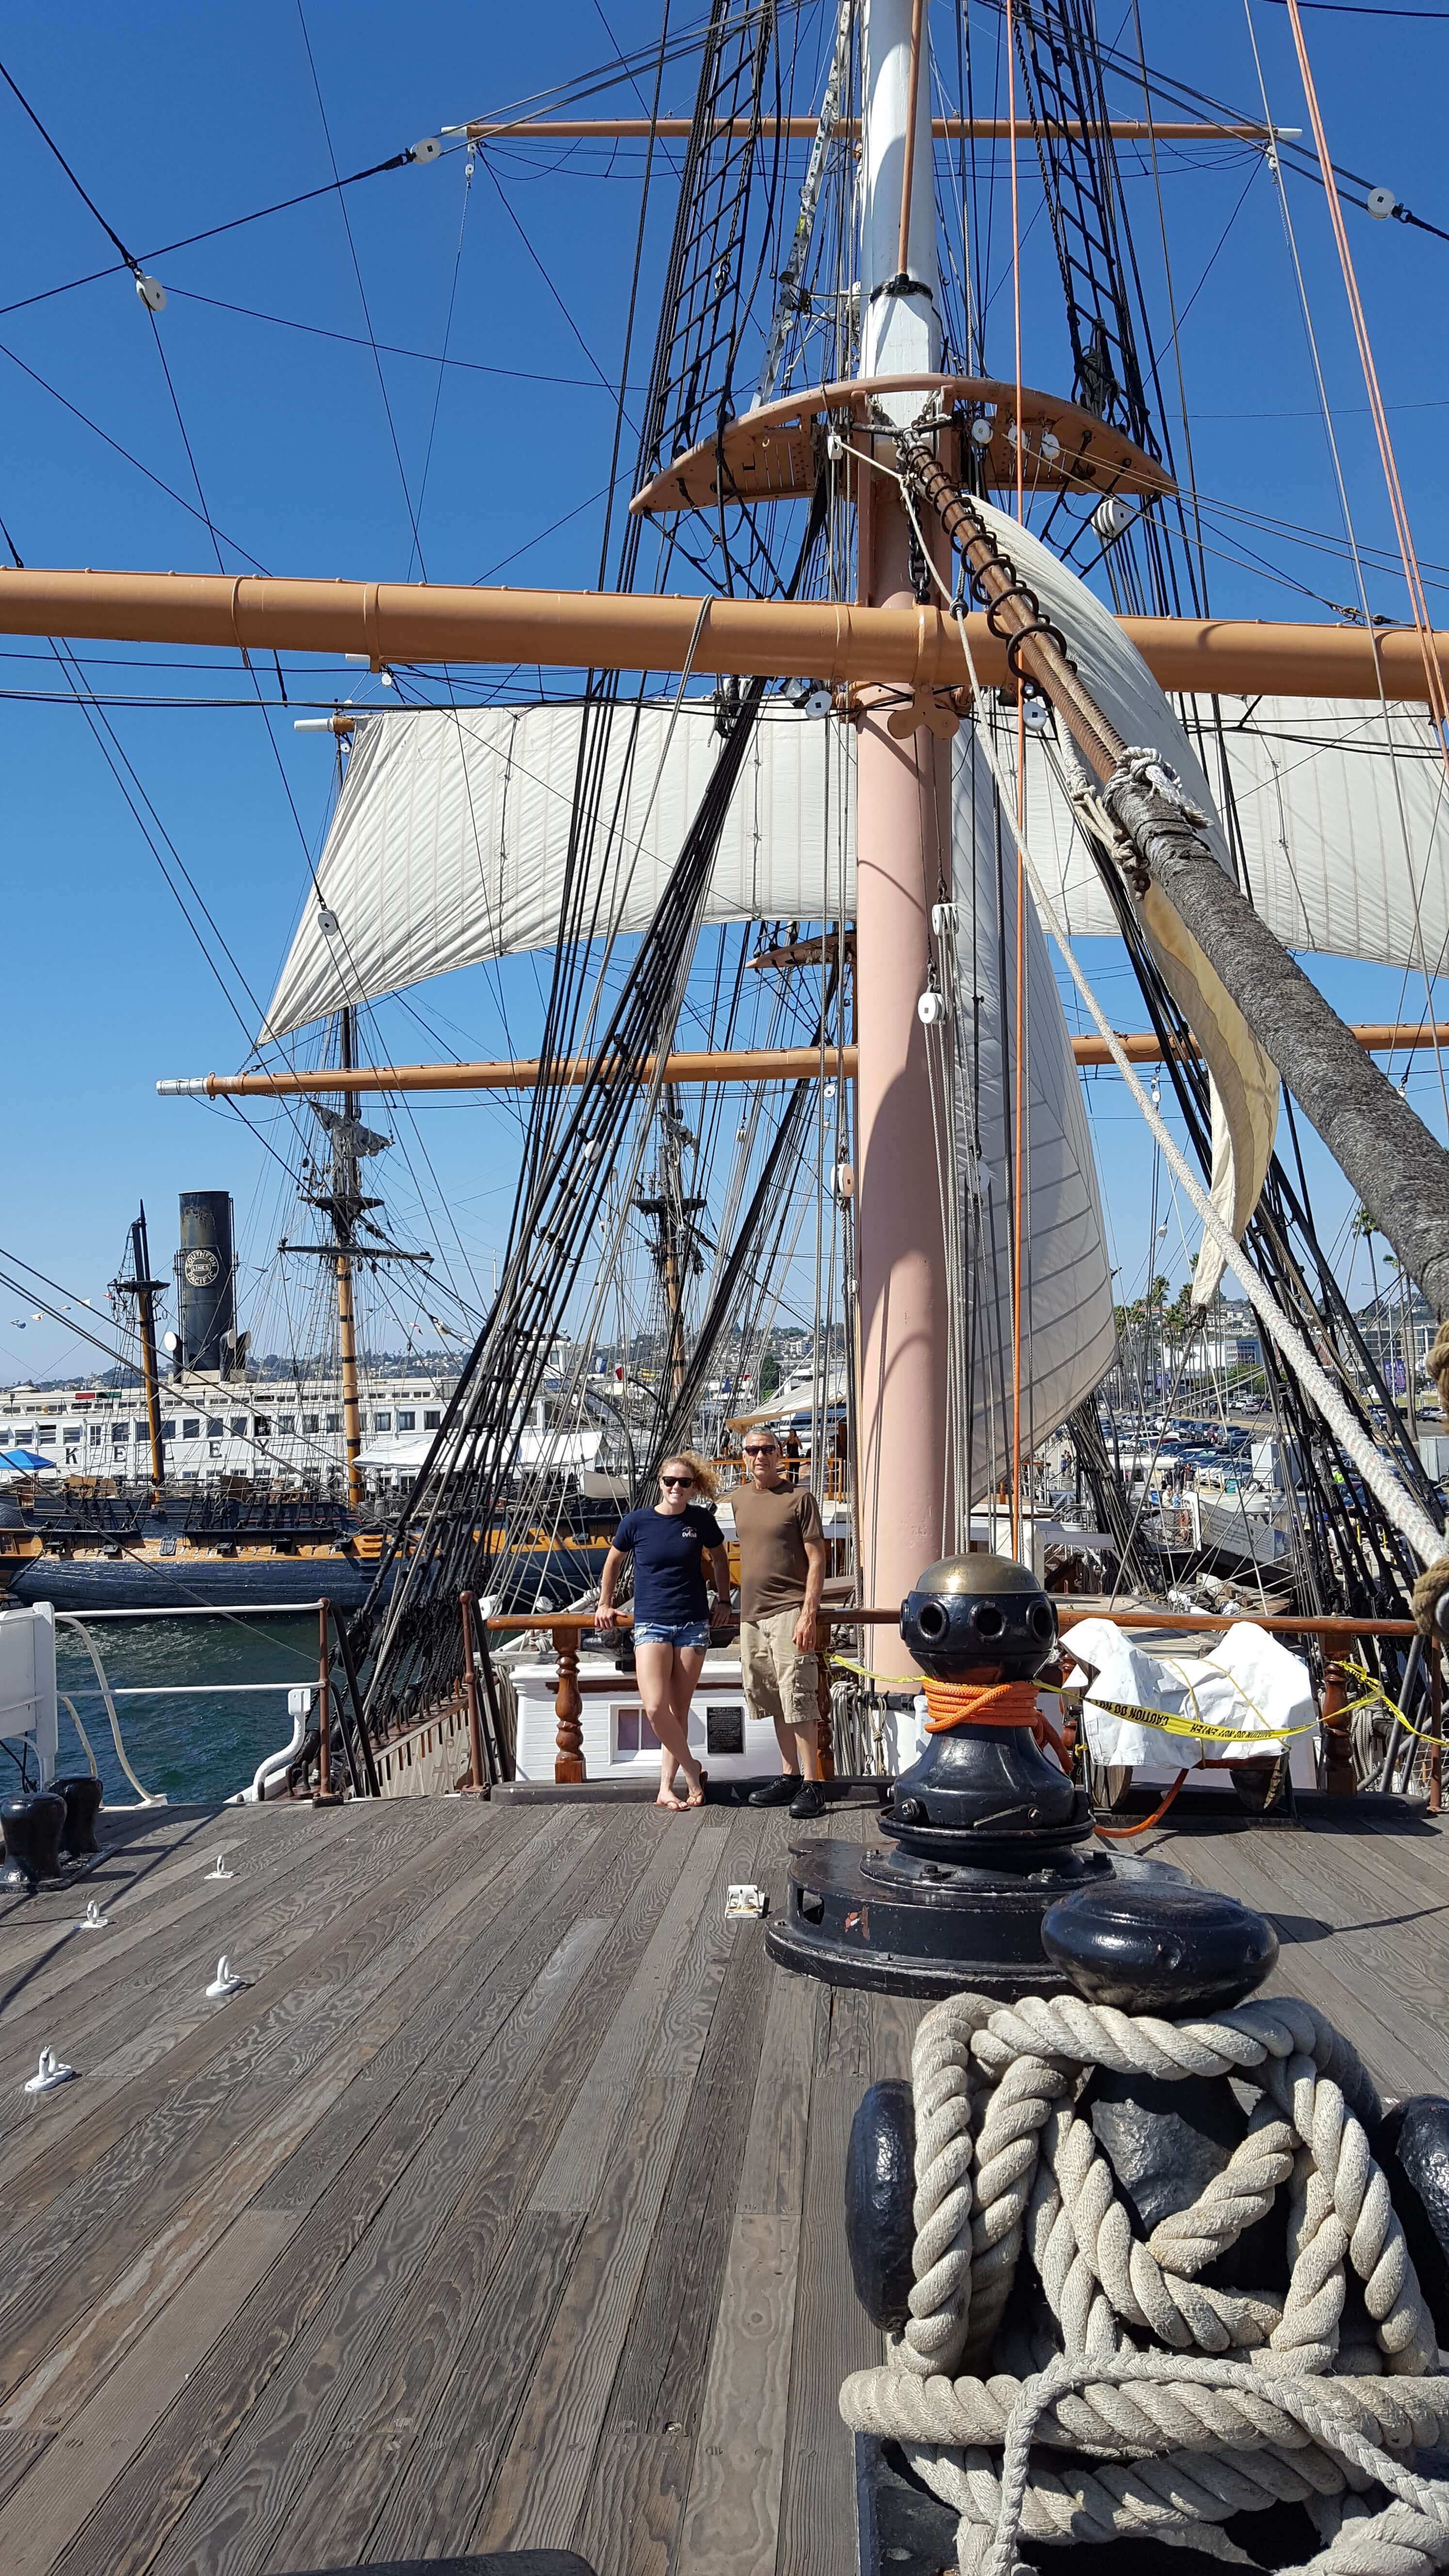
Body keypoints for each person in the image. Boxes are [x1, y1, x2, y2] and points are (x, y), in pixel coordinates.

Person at [596, 1453, 732, 1811]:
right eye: (670, 1481)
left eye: (684, 1483)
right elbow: (613, 1562)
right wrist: (605, 1603)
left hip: (692, 1623)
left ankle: (666, 1788)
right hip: (651, 1623)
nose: (676, 1488)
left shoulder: (700, 1520)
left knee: (679, 1709)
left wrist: (724, 1600)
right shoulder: (637, 1522)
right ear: (660, 1483)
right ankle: (693, 1770)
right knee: (656, 1708)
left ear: (693, 1487)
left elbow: (720, 1559)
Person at [735, 1429, 828, 1820]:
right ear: (744, 1456)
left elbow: (817, 1558)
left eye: (767, 1450)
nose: (760, 1456)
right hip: (751, 1616)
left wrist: (809, 1613)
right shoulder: (739, 1499)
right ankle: (790, 1775)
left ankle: (813, 1783)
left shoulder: (799, 1499)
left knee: (799, 1696)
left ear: (779, 1454)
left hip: (789, 1610)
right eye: (753, 1450)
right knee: (773, 1696)